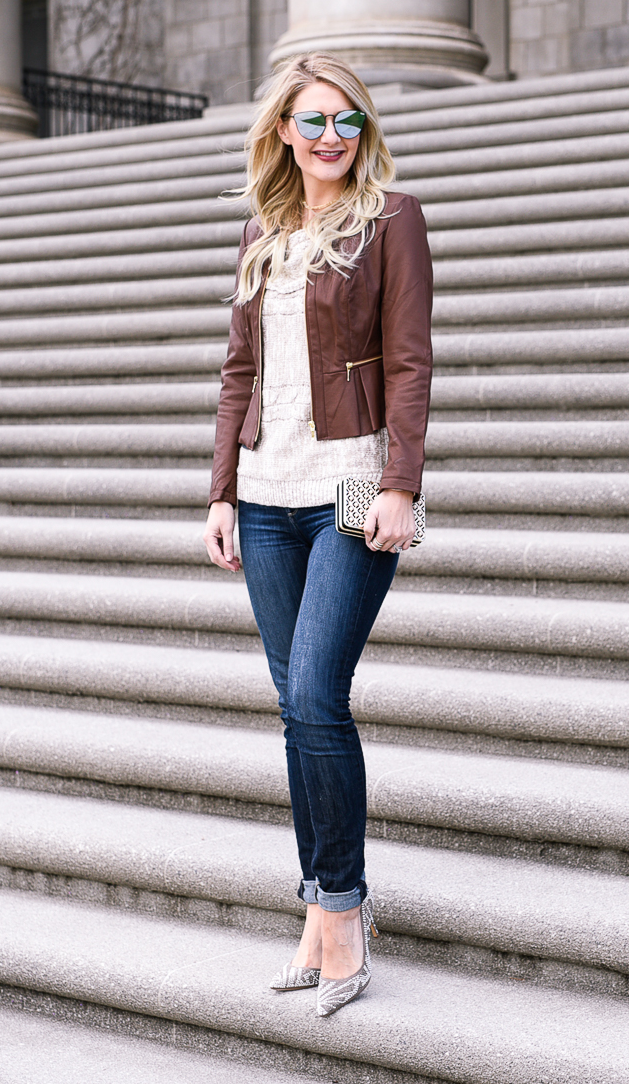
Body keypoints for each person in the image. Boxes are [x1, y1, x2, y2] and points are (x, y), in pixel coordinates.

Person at [203, 52, 433, 1017]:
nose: (330, 138)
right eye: (312, 122)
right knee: (292, 708)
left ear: (362, 131)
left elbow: (413, 363)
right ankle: (318, 905)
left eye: (346, 122)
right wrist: (219, 491)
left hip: (347, 489)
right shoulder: (263, 231)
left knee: (314, 696)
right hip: (264, 495)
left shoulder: (392, 220)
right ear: (284, 134)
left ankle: (340, 907)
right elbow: (235, 371)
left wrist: (401, 485)